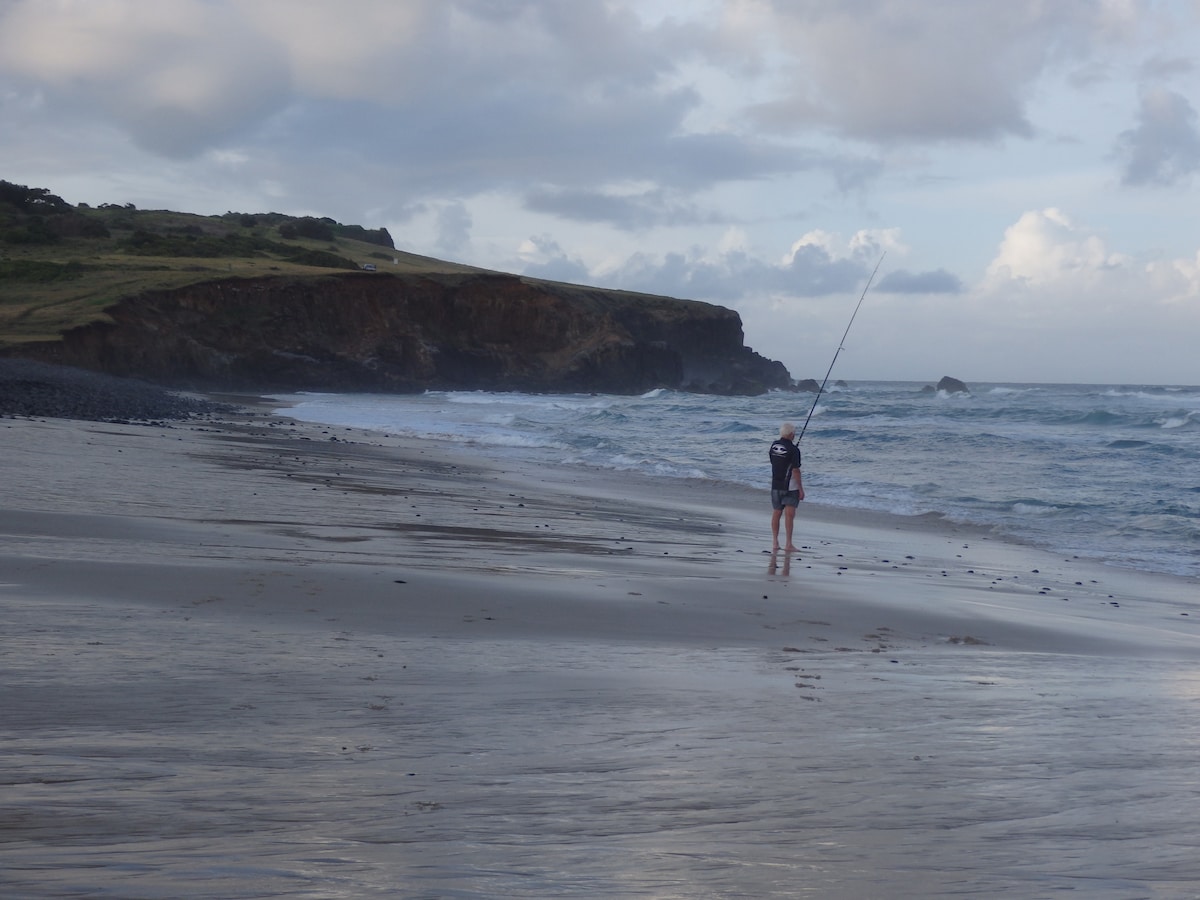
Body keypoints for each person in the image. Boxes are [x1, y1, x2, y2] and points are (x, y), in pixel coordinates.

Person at [769, 422, 804, 552]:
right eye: (793, 434)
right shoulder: (794, 450)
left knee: (776, 512)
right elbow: (796, 470)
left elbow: (774, 462)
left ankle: (774, 542)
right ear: (791, 434)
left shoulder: (774, 445)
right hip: (790, 486)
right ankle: (788, 543)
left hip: (775, 484)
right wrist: (800, 488)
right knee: (789, 515)